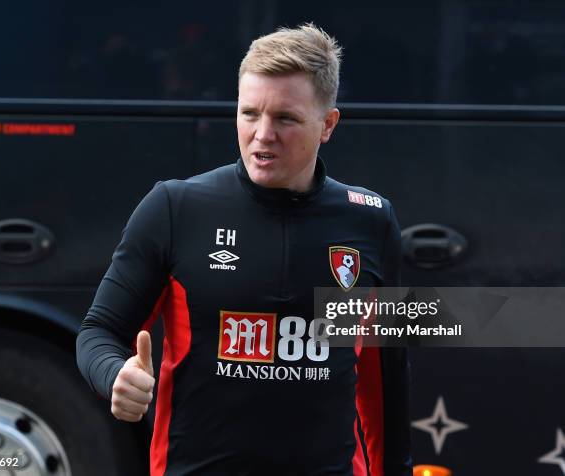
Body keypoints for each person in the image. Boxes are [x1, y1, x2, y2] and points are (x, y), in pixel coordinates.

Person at [76, 23, 411, 476]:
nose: (262, 134)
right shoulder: (175, 207)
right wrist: (114, 374)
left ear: (328, 125)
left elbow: (384, 381)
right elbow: (98, 331)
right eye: (249, 113)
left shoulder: (370, 220)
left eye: (285, 119)